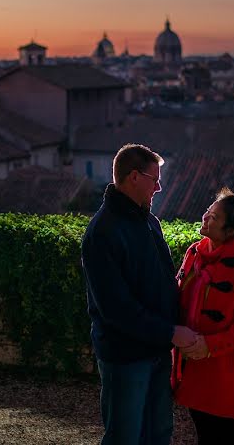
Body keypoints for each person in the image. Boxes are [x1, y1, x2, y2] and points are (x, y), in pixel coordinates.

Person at [81, 143, 199, 445]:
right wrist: (172, 332)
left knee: (158, 433)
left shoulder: (149, 222)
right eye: (154, 179)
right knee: (125, 437)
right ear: (134, 177)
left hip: (158, 350)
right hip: (126, 357)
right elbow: (117, 310)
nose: (159, 187)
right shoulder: (101, 233)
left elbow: (163, 282)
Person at [172, 188, 234, 445]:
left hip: (227, 369)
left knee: (228, 438)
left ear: (231, 232)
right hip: (194, 365)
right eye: (208, 212)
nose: (205, 217)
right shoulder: (194, 253)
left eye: (213, 217)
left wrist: (209, 346)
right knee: (205, 434)